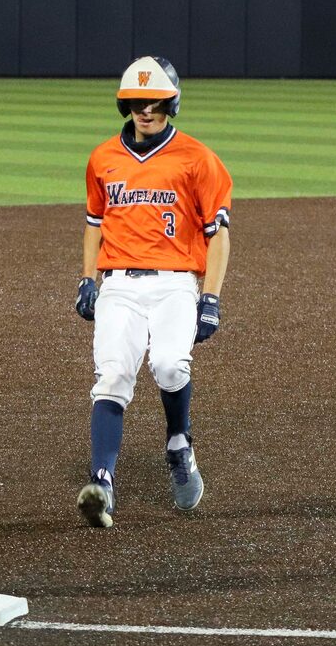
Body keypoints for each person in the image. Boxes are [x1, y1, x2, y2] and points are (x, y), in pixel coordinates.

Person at [73, 55, 233, 528]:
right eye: (138, 103)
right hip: (119, 283)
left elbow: (218, 234)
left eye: (157, 103)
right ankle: (101, 483)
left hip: (176, 284)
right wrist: (87, 277)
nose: (147, 111)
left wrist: (211, 298)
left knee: (168, 364)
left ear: (172, 104)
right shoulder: (103, 158)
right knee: (112, 376)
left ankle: (179, 442)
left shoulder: (198, 159)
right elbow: (94, 224)